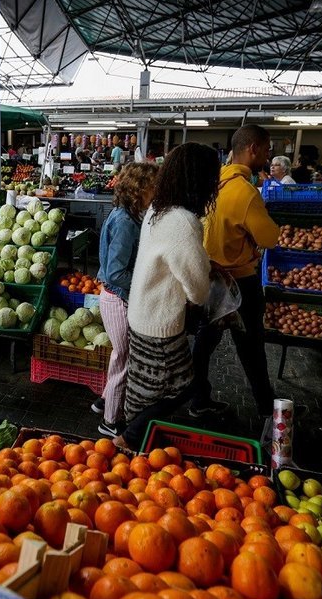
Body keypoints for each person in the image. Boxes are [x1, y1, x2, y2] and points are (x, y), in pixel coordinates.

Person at [113, 143, 221, 450]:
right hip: (160, 322)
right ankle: (127, 440)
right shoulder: (183, 222)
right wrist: (206, 272)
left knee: (145, 386)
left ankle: (129, 437)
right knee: (179, 387)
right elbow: (198, 291)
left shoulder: (156, 210)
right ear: (200, 179)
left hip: (142, 312)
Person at [190, 124, 280, 419]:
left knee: (203, 345)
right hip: (241, 283)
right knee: (251, 347)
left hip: (212, 279)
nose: (268, 156)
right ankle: (268, 410)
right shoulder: (246, 192)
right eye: (267, 150)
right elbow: (270, 238)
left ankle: (198, 399)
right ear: (252, 148)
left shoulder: (216, 182)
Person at [93, 162, 160, 438]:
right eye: (153, 187)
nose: (156, 192)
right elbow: (116, 272)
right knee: (124, 358)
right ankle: (110, 422)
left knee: (119, 356)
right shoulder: (124, 223)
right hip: (117, 299)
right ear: (139, 189)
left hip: (112, 297)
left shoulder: (126, 215)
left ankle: (103, 401)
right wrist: (147, 281)